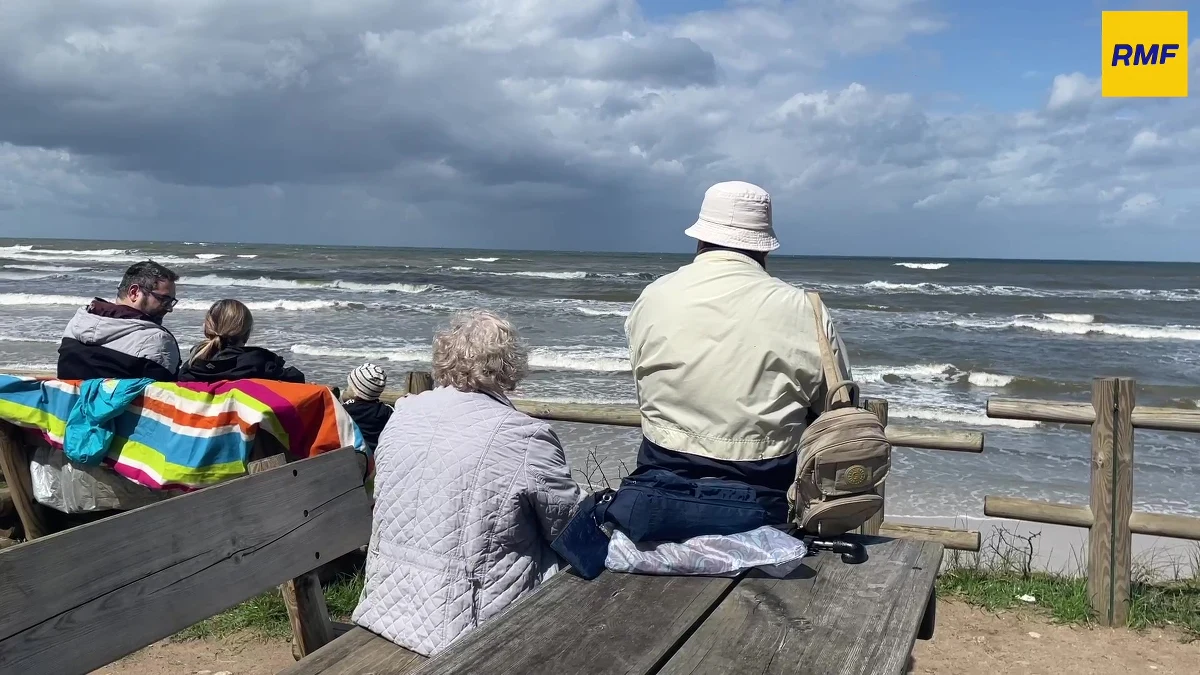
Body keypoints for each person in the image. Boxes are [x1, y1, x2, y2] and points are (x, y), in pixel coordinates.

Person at [353, 310, 582, 657]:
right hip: (469, 627)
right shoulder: (524, 435)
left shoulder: (402, 415)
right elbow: (567, 525)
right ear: (509, 366)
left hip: (387, 606)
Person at [623, 180, 853, 521]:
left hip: (660, 485)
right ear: (765, 248)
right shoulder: (806, 309)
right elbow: (834, 405)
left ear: (700, 238)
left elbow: (643, 377)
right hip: (766, 491)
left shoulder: (653, 296)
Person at [57, 260, 182, 381]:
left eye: (171, 302)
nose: (169, 308)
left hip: (70, 395)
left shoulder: (78, 322)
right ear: (134, 293)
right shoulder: (157, 340)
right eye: (164, 299)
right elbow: (163, 393)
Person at [178, 299, 305, 383]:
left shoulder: (192, 365)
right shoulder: (259, 364)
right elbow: (297, 378)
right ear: (246, 333)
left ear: (206, 329)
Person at [341, 363, 393, 449]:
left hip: (353, 452)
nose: (347, 388)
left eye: (350, 385)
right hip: (377, 453)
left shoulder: (345, 410)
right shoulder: (387, 411)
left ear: (357, 391)